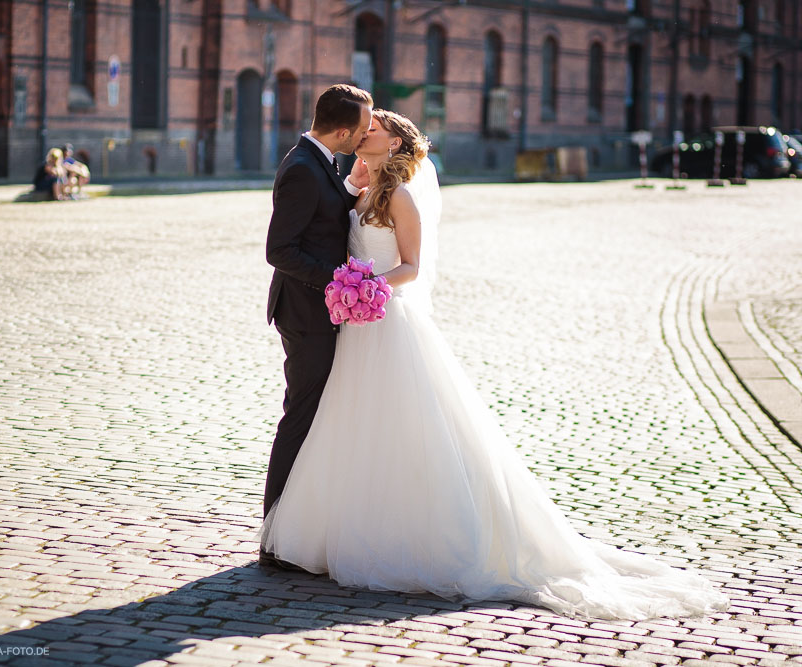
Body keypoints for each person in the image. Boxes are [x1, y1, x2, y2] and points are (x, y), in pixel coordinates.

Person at [260, 109, 730, 621]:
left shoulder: (402, 195)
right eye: (363, 125)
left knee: (405, 425)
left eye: (375, 127)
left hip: (387, 321)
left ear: (395, 143)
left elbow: (412, 267)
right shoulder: (362, 185)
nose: (364, 131)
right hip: (357, 325)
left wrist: (368, 287)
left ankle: (413, 534)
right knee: (351, 424)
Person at [263, 84, 374, 568]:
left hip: (316, 310)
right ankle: (275, 535)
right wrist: (339, 280)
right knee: (300, 418)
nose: (368, 134)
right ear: (344, 130)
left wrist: (349, 190)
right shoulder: (304, 169)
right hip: (305, 314)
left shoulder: (320, 161)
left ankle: (293, 529)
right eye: (365, 128)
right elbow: (280, 250)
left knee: (311, 416)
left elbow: (323, 218)